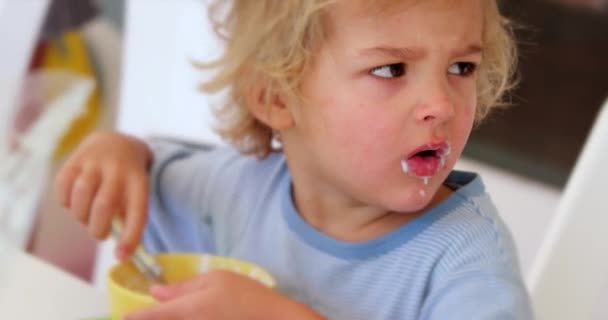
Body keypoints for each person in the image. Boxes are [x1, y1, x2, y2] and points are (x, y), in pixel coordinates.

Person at [54, 0, 533, 319]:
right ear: (275, 98)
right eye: (392, 69)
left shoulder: (466, 263)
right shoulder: (237, 190)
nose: (442, 103)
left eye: (461, 67)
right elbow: (151, 178)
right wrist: (119, 155)